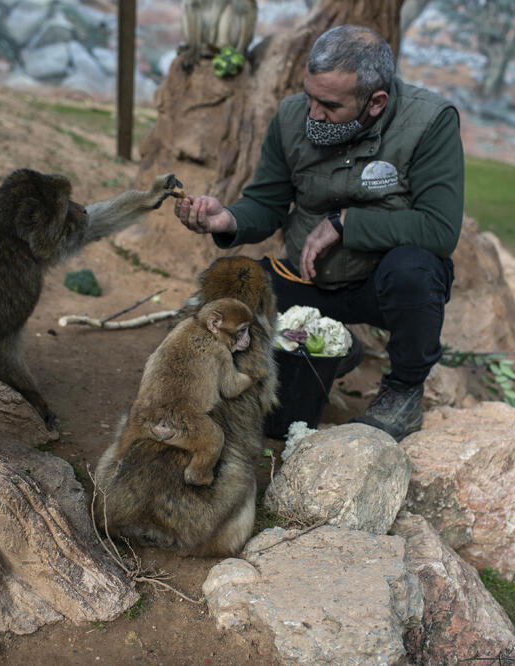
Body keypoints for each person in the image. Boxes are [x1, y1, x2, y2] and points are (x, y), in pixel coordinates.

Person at [174, 24, 463, 441]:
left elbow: (439, 228)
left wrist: (346, 225)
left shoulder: (429, 122)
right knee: (230, 286)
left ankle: (403, 389)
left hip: (383, 288)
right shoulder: (293, 116)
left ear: (376, 102)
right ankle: (337, 350)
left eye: (329, 104)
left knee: (415, 270)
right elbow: (267, 204)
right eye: (309, 95)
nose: (313, 113)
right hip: (309, 281)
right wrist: (228, 219)